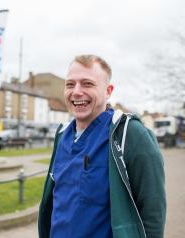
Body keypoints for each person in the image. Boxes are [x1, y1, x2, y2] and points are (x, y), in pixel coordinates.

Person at [38, 55, 166, 238]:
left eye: (87, 84)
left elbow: (153, 212)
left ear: (108, 91)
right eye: (70, 84)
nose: (76, 92)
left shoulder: (130, 134)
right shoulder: (62, 134)